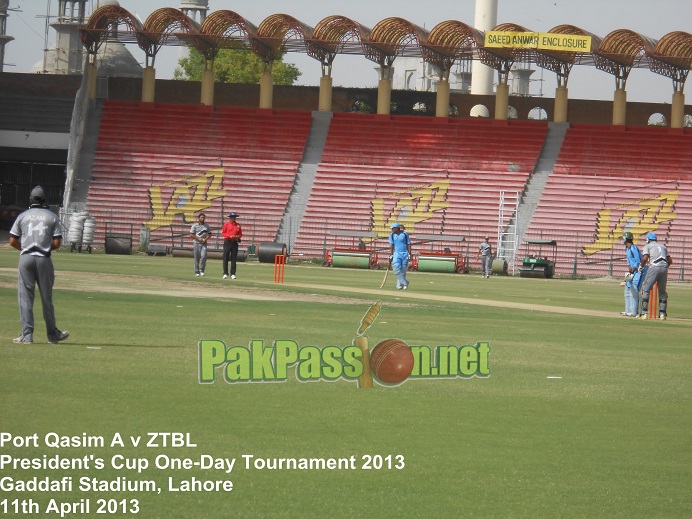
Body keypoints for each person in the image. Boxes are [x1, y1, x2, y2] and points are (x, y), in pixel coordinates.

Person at [9, 186, 70, 344]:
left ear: (30, 199)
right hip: (43, 258)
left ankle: (27, 335)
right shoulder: (51, 216)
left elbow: (12, 240)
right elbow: (56, 242)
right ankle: (52, 335)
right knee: (46, 298)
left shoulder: (23, 216)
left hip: (26, 258)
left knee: (25, 297)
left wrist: (25, 248)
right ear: (44, 200)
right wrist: (45, 248)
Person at [638, 232, 672, 320]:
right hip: (664, 267)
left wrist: (641, 267)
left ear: (648, 240)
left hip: (654, 267)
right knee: (662, 291)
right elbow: (670, 260)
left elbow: (645, 258)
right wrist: (663, 268)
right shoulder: (663, 247)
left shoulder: (648, 246)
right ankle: (662, 314)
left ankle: (644, 313)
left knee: (646, 289)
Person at [621, 231, 644, 317]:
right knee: (627, 288)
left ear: (627, 239)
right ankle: (627, 310)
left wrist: (633, 270)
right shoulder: (627, 248)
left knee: (634, 289)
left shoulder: (634, 248)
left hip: (639, 271)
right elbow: (629, 261)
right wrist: (629, 270)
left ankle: (634, 312)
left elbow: (638, 261)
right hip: (633, 271)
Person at [388, 222, 411, 290]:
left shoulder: (404, 234)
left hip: (405, 253)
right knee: (396, 268)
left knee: (403, 270)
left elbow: (409, 244)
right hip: (397, 253)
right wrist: (391, 254)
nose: (392, 230)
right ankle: (405, 282)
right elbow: (391, 245)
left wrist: (409, 253)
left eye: (393, 229)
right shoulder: (392, 235)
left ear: (396, 229)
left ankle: (399, 285)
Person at [221, 211, 242, 279]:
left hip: (234, 242)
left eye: (234, 217)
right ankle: (225, 273)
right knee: (225, 258)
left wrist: (237, 237)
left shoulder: (238, 225)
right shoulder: (226, 224)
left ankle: (233, 273)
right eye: (232, 217)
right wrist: (229, 236)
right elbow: (223, 233)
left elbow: (240, 234)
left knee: (234, 258)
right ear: (230, 218)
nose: (233, 218)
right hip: (227, 242)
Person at [189, 213, 212, 277]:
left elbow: (210, 234)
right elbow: (191, 234)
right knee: (196, 258)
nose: (202, 219)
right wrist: (198, 238)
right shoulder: (194, 226)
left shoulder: (206, 226)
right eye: (201, 217)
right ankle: (197, 271)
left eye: (203, 217)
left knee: (204, 256)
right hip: (196, 243)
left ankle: (202, 270)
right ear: (199, 218)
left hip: (203, 243)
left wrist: (205, 239)